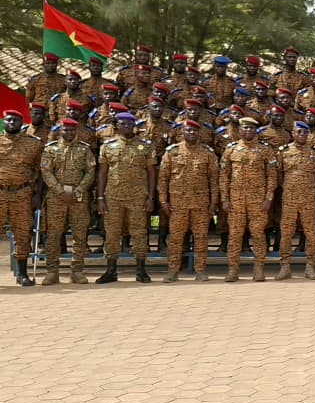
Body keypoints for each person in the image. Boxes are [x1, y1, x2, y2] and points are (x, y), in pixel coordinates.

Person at [95, 112, 157, 284]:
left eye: (130, 124)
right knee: (112, 233)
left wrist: (151, 197)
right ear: (117, 126)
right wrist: (100, 197)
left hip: (138, 197)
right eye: (123, 124)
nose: (127, 127)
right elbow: (103, 173)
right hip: (113, 196)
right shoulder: (108, 146)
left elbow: (152, 173)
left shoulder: (145, 146)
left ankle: (141, 270)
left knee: (139, 232)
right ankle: (111, 270)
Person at [220, 117, 278, 282]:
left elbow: (272, 176)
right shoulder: (231, 149)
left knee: (258, 233)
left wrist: (268, 198)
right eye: (245, 128)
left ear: (256, 131)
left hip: (258, 200)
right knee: (235, 235)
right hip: (236, 199)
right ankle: (233, 269)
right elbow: (224, 176)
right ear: (240, 130)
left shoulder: (265, 150)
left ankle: (259, 268)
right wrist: (225, 198)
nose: (248, 131)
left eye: (251, 128)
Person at [159, 120, 218, 282]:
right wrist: (163, 201)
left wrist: (214, 203)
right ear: (182, 132)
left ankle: (200, 269)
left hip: (201, 204)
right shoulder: (172, 152)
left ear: (199, 133)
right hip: (178, 204)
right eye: (188, 130)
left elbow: (214, 179)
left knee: (201, 237)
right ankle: (173, 270)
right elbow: (163, 179)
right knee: (176, 238)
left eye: (194, 131)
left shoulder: (207, 153)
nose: (191, 133)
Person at [39, 118, 96, 285]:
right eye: (66, 130)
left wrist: (79, 190)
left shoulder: (84, 150)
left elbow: (90, 171)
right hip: (57, 196)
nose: (69, 133)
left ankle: (77, 271)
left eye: (72, 130)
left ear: (76, 132)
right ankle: (52, 271)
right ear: (60, 131)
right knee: (53, 235)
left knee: (79, 234)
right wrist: (59, 190)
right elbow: (46, 172)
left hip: (78, 196)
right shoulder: (50, 149)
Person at [0, 109, 45, 286]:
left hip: (22, 194)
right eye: (9, 120)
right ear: (4, 121)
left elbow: (40, 171)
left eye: (16, 120)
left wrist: (37, 196)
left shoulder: (33, 144)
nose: (12, 123)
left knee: (22, 233)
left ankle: (22, 273)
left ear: (22, 123)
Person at [275, 122, 315, 280]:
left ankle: (310, 266)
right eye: (299, 131)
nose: (302, 134)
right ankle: (285, 266)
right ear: (293, 134)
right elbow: (279, 176)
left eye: (305, 132)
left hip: (309, 199)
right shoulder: (284, 151)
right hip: (289, 199)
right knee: (286, 234)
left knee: (310, 234)